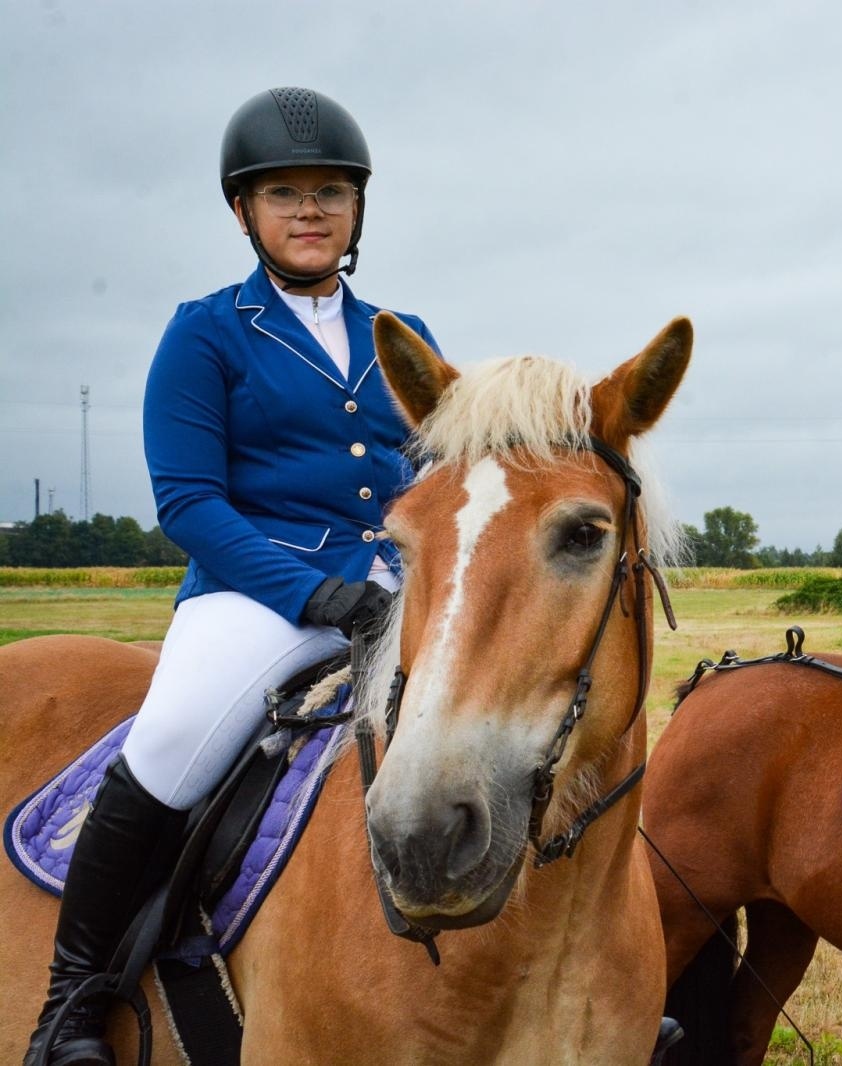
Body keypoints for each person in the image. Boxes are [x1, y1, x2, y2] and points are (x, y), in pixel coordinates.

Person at [27, 88, 441, 1066]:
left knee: (522, 717)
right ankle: (71, 1005)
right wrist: (318, 594)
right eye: (285, 193)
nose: (310, 209)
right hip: (256, 595)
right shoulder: (205, 332)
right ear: (245, 211)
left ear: (357, 209)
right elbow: (189, 505)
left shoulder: (403, 330)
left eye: (331, 192)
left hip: (397, 586)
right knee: (169, 742)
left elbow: (436, 472)